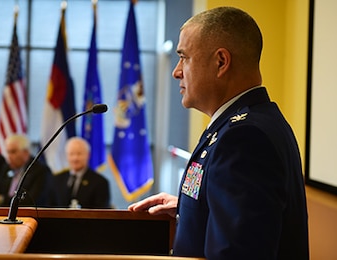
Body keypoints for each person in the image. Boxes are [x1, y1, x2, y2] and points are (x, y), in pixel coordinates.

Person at [128, 6, 309, 259]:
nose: (176, 71)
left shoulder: (244, 138)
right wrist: (191, 207)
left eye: (184, 57)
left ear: (221, 62)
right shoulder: (246, 122)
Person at [0, 134, 57, 207]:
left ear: (25, 152)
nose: (9, 156)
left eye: (13, 152)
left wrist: (0, 200)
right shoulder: (7, 168)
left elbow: (32, 202)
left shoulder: (41, 171)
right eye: (8, 152)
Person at [54, 137, 110, 209]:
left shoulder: (100, 182)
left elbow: (101, 211)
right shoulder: (56, 180)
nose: (75, 158)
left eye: (79, 154)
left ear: (88, 155)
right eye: (71, 154)